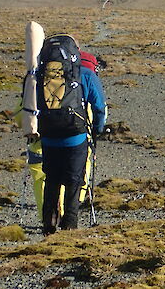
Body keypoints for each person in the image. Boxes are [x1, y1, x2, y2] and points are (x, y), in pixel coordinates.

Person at [25, 35, 107, 235]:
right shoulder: (85, 74)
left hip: (49, 135)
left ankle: (49, 224)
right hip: (75, 136)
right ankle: (70, 226)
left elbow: (28, 105)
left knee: (51, 178)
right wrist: (97, 129)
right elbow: (99, 107)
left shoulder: (40, 76)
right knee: (73, 180)